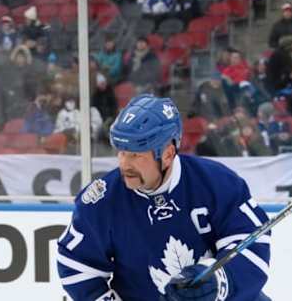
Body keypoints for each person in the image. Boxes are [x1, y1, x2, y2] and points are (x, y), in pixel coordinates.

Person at [57, 94, 271, 300]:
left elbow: (253, 244)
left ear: (167, 154)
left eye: (135, 155)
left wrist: (219, 281)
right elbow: (76, 264)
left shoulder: (216, 182)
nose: (124, 164)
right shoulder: (102, 201)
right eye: (121, 152)